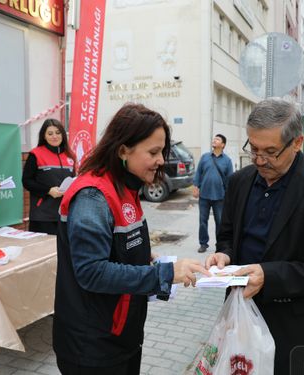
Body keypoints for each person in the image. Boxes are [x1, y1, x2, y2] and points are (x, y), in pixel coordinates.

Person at [53, 103, 209, 374]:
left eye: (162, 151)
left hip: (121, 336)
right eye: (153, 152)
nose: (161, 160)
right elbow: (91, 271)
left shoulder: (126, 188)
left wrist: (143, 257)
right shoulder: (93, 196)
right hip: (92, 346)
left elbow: (116, 246)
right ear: (123, 150)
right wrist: (164, 274)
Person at [205, 98, 304, 374]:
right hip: (241, 319)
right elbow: (227, 235)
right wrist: (224, 254)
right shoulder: (239, 181)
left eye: (271, 152)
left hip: (297, 330)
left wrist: (269, 276)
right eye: (254, 149)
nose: (260, 160)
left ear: (296, 143)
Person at [22, 118, 77, 234]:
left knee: (63, 251)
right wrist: (48, 190)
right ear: (44, 136)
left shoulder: (71, 155)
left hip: (66, 214)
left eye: (58, 133)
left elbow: (74, 180)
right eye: (50, 133)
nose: (54, 136)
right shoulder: (35, 154)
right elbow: (26, 181)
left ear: (63, 134)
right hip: (42, 216)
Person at [192, 134, 233, 253]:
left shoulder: (227, 161)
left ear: (223, 145)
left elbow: (230, 179)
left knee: (220, 222)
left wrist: (229, 195)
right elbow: (198, 173)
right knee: (203, 221)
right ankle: (203, 244)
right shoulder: (205, 157)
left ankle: (220, 245)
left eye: (218, 139)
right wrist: (195, 186)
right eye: (214, 138)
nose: (214, 140)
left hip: (220, 196)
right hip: (204, 195)